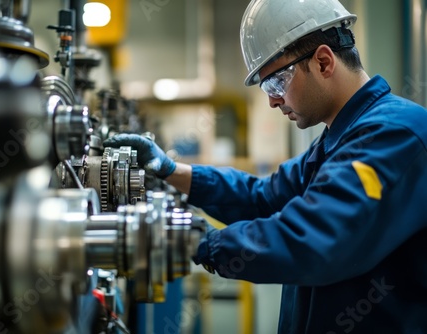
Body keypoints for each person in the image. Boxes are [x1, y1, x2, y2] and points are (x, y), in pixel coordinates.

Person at [104, 0, 427, 332]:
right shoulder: (339, 139)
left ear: (323, 61)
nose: (272, 100)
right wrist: (172, 171)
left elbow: (313, 239)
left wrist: (195, 241)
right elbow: (263, 198)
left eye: (276, 83)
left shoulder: (394, 134)